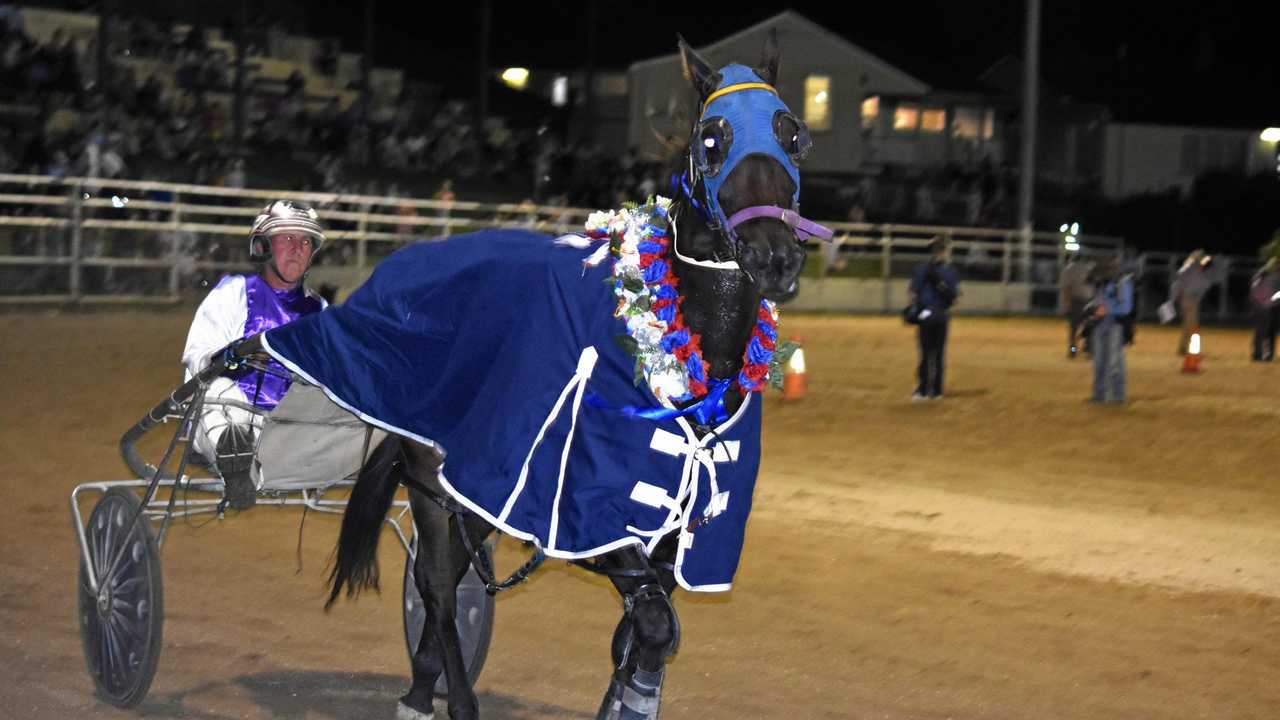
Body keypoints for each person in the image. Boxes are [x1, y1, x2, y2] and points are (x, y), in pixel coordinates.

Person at [181, 200, 327, 508]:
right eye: (287, 238)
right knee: (217, 387)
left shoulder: (320, 310)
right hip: (229, 416)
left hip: (290, 433)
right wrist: (225, 358)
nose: (298, 248)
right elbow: (197, 355)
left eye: (305, 241)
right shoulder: (235, 292)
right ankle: (235, 459)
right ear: (262, 246)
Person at [908, 238, 959, 400]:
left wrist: (916, 310)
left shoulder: (921, 269)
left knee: (924, 353)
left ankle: (922, 390)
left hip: (925, 314)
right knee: (938, 354)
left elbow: (912, 294)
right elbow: (954, 299)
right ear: (943, 252)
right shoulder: (950, 272)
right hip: (942, 315)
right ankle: (937, 390)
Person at [1086, 256, 1133, 404]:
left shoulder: (1123, 282)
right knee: (1099, 362)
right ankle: (1099, 394)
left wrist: (1106, 310)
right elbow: (1097, 301)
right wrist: (1092, 309)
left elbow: (1126, 308)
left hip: (1116, 326)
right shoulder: (1101, 283)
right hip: (1100, 325)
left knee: (1114, 363)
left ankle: (1117, 396)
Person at [1168, 249, 1213, 355]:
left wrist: (1173, 298)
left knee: (1188, 325)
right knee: (1191, 325)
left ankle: (1184, 348)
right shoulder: (1192, 269)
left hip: (1189, 298)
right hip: (1189, 298)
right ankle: (1187, 349)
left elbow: (1178, 283)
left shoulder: (1193, 270)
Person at [1058, 251, 1095, 358]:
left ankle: (1073, 350)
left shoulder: (1069, 269)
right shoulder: (1090, 268)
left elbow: (1066, 289)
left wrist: (1065, 304)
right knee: (1089, 327)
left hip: (1076, 302)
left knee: (1073, 329)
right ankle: (1088, 350)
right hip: (1089, 301)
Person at [1249, 258, 1280, 362]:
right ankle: (1262, 355)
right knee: (1265, 332)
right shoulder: (1268, 276)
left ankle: (1263, 355)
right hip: (1267, 308)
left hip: (1267, 307)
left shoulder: (1261, 276)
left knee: (1266, 332)